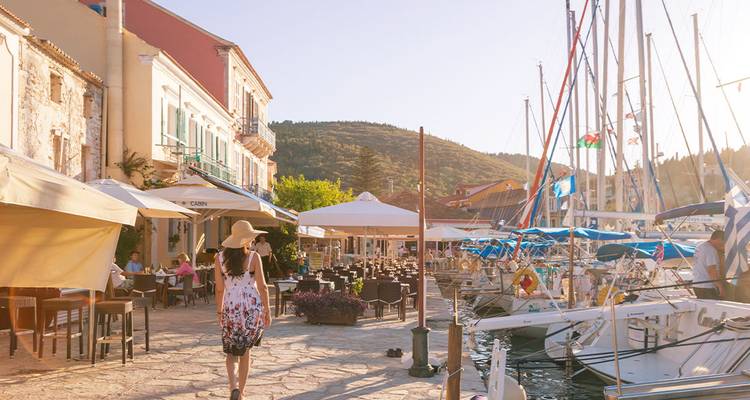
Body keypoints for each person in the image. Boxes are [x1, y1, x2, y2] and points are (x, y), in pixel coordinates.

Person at [215, 221, 272, 400]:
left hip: (230, 306)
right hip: (250, 306)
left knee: (231, 351)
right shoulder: (254, 257)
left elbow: (219, 289)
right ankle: (242, 392)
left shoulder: (219, 258)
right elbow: (263, 286)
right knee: (245, 351)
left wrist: (219, 311)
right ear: (247, 239)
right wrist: (267, 310)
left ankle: (233, 387)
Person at [692, 230, 725, 300]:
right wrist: (720, 286)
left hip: (696, 284)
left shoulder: (700, 246)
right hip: (707, 286)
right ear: (718, 239)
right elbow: (711, 270)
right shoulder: (711, 250)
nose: (724, 243)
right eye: (723, 241)